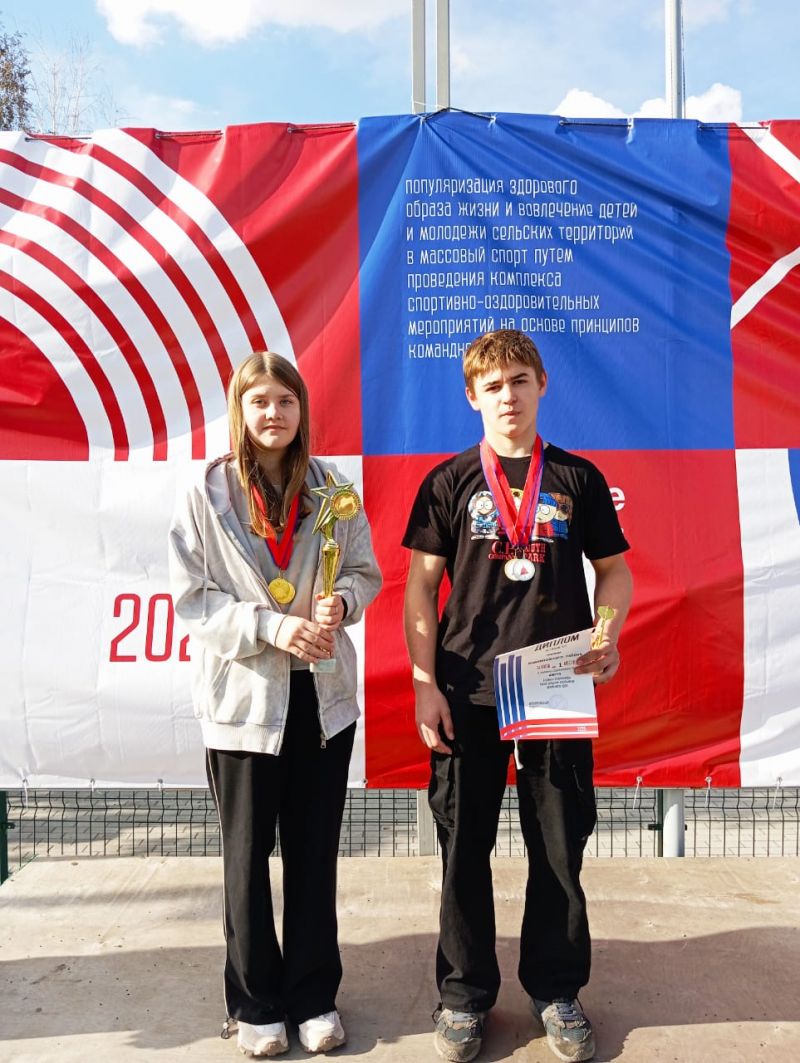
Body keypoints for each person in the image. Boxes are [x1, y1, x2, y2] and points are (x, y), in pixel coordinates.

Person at [402, 329, 632, 1063]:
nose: (508, 396)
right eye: (493, 385)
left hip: (554, 683)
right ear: (472, 396)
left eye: (520, 381)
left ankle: (557, 989)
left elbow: (615, 571)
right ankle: (463, 996)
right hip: (466, 688)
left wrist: (607, 631)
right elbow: (419, 589)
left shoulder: (578, 478)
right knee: (463, 847)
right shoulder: (447, 481)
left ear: (542, 386)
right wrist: (425, 685)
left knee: (559, 846)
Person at [169, 351, 382, 1057]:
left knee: (314, 856)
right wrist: (270, 625)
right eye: (259, 400)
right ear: (240, 409)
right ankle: (255, 1002)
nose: (273, 413)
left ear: (302, 411)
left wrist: (342, 602)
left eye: (286, 401)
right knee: (246, 859)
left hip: (321, 699)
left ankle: (314, 997)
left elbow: (364, 572)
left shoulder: (332, 488)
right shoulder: (206, 494)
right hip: (245, 704)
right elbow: (192, 599)